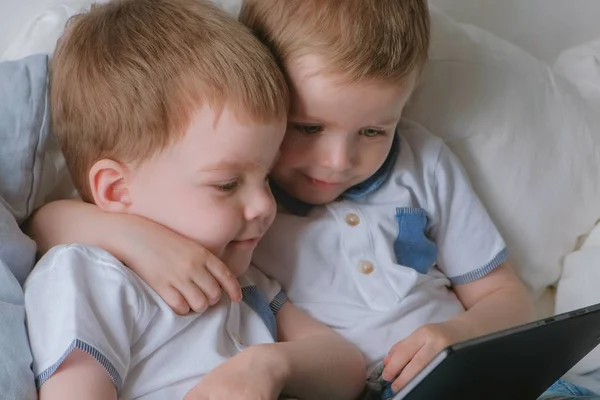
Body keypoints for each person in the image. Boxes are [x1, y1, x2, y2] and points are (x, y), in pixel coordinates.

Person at [28, 0, 599, 398]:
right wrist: (137, 238)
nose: (336, 162)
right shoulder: (227, 234)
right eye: (304, 129)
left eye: (375, 131)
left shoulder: (246, 264)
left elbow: (499, 299)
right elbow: (40, 223)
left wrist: (454, 337)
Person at [23, 0, 365, 399]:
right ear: (117, 190)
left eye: (266, 176)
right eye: (226, 184)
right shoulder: (92, 278)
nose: (264, 206)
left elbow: (348, 366)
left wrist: (268, 365)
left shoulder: (243, 277)